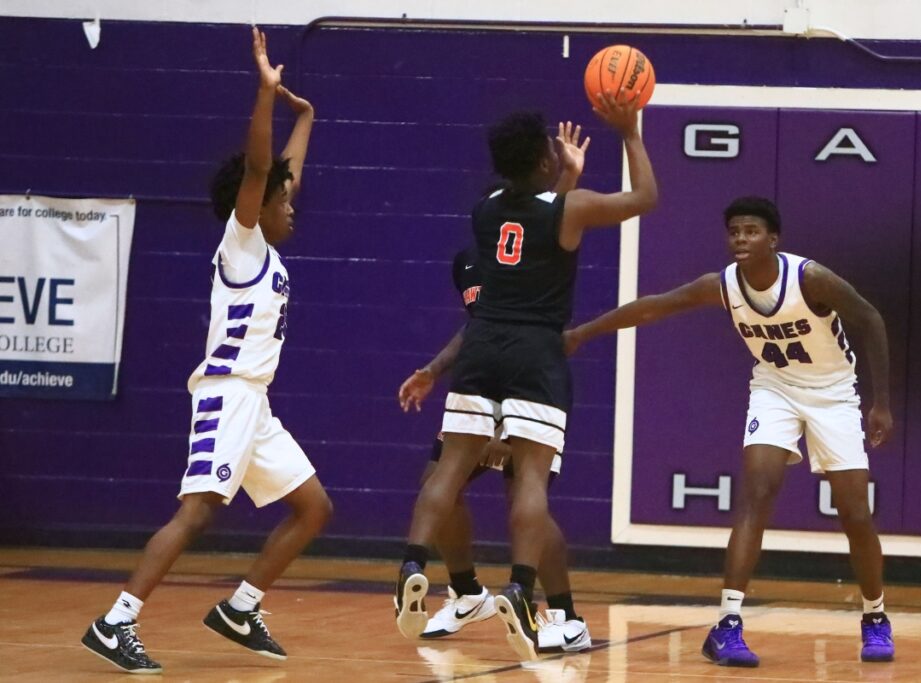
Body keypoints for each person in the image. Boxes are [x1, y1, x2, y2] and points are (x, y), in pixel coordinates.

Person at [81, 28, 332, 674]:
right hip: (226, 395)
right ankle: (116, 621)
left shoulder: (267, 243)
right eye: (283, 200)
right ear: (257, 206)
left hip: (258, 406)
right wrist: (267, 95)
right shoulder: (241, 244)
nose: (292, 205)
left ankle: (241, 608)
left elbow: (282, 173)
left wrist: (305, 116)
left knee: (314, 507)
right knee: (196, 514)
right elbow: (260, 169)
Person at [563, 196, 895, 667]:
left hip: (834, 392)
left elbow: (871, 319)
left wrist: (880, 402)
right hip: (774, 388)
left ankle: (875, 616)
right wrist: (582, 334)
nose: (741, 238)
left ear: (773, 239)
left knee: (855, 513)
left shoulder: (810, 278)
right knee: (757, 493)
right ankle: (727, 624)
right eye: (734, 231)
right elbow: (654, 307)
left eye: (752, 231)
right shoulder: (722, 286)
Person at [394, 93, 657, 662]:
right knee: (530, 478)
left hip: (483, 343)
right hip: (536, 349)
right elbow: (644, 197)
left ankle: (413, 563)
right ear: (544, 161)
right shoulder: (572, 208)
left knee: (448, 466)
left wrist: (559, 173)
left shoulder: (485, 211)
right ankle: (519, 585)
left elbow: (535, 224)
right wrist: (629, 130)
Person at [397, 188, 587, 652]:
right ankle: (466, 593)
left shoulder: (541, 249)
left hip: (528, 383)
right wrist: (433, 370)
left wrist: (505, 428)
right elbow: (476, 325)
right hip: (485, 379)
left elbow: (541, 325)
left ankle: (565, 614)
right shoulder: (467, 261)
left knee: (522, 495)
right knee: (437, 479)